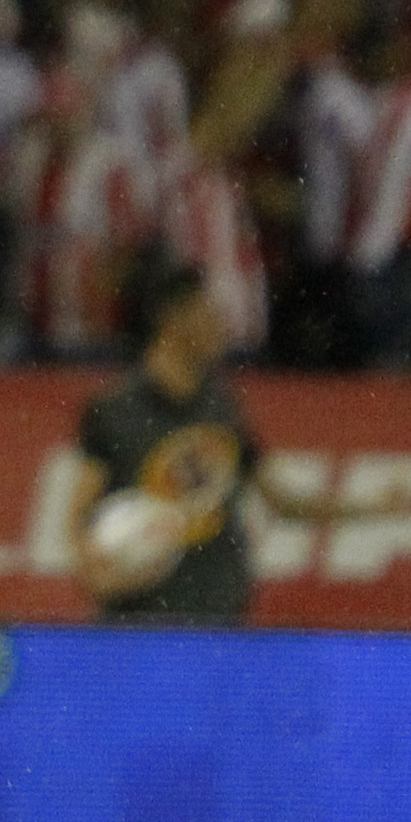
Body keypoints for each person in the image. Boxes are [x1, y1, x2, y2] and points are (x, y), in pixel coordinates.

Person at [68, 255, 343, 625]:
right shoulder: (116, 410)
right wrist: (98, 575)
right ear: (172, 319)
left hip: (219, 618)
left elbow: (282, 501)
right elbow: (80, 514)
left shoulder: (221, 407)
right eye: (208, 314)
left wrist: (377, 507)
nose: (220, 327)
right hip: (139, 624)